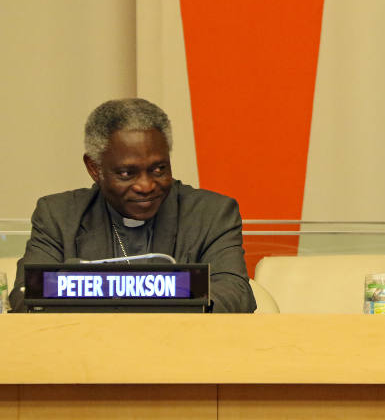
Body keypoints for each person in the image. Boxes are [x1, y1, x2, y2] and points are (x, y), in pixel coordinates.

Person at [9, 98, 256, 313]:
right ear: (94, 168)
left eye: (159, 169)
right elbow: (26, 295)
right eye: (127, 173)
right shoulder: (59, 216)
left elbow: (234, 295)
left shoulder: (212, 214)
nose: (146, 185)